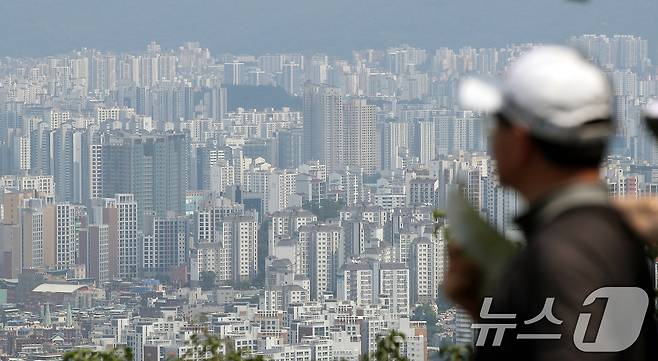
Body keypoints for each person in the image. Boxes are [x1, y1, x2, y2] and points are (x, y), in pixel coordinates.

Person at [447, 46, 658, 360]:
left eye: (497, 125)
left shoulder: (562, 253)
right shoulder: (608, 236)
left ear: (519, 141)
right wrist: (489, 309)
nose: (490, 139)